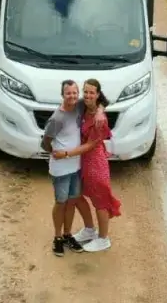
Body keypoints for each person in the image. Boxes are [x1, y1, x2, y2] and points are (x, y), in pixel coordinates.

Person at [52, 78, 120, 252]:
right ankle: (90, 229)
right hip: (82, 162)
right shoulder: (83, 106)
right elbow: (103, 101)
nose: (88, 95)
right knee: (77, 196)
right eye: (86, 91)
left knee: (100, 201)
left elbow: (90, 145)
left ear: (97, 94)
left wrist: (65, 154)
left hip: (95, 162)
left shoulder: (100, 120)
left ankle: (103, 238)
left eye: (92, 92)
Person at [40, 80, 97, 256]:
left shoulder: (79, 107)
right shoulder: (57, 118)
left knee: (72, 202)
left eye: (74, 93)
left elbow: (101, 100)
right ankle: (57, 237)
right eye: (68, 93)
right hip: (61, 169)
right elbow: (45, 143)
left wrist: (101, 111)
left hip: (76, 166)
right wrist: (55, 154)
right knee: (61, 202)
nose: (72, 96)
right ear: (62, 95)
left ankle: (67, 234)